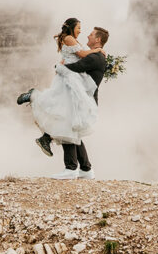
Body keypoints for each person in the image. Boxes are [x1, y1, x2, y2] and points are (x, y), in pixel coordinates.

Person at [18, 20, 110, 180]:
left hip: (82, 99)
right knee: (74, 131)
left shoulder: (95, 57)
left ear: (98, 40)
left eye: (91, 34)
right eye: (81, 29)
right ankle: (86, 169)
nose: (86, 34)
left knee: (67, 126)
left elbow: (73, 68)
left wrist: (59, 66)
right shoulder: (96, 55)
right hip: (80, 97)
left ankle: (71, 168)